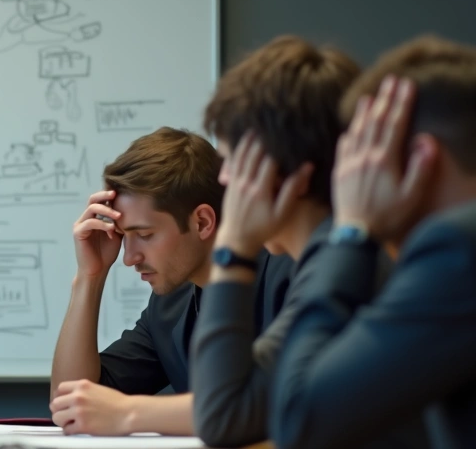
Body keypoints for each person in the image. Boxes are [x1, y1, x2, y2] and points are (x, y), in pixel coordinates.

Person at [271, 36, 476, 449]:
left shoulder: (457, 247)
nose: (346, 179)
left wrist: (351, 229)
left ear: (420, 156)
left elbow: (300, 417)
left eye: (362, 159)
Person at [49, 127, 294, 436]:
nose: (129, 257)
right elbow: (70, 404)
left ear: (202, 222)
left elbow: (281, 400)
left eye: (145, 235)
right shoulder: (169, 306)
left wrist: (130, 414)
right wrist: (90, 278)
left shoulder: (288, 274)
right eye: (125, 236)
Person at [189, 36, 362, 446]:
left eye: (232, 161)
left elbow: (221, 417)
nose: (225, 180)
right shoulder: (328, 258)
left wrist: (232, 247)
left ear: (279, 170)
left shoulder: (345, 265)